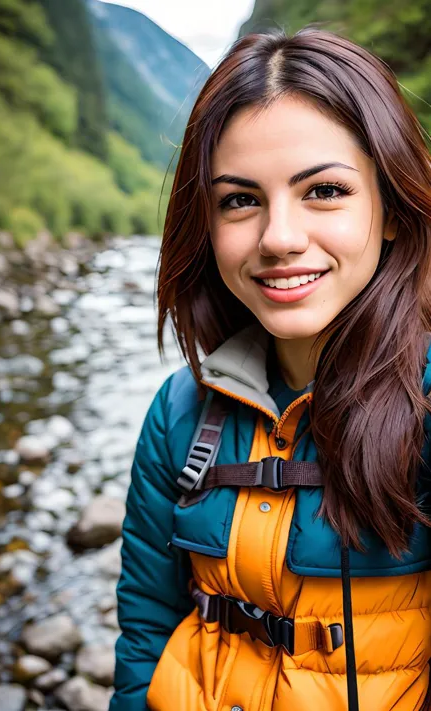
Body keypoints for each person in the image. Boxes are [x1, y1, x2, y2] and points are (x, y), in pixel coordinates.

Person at [109, 24, 431, 711]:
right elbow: (145, 627)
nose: (279, 238)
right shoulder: (176, 413)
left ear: (393, 210)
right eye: (240, 199)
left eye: (324, 191)